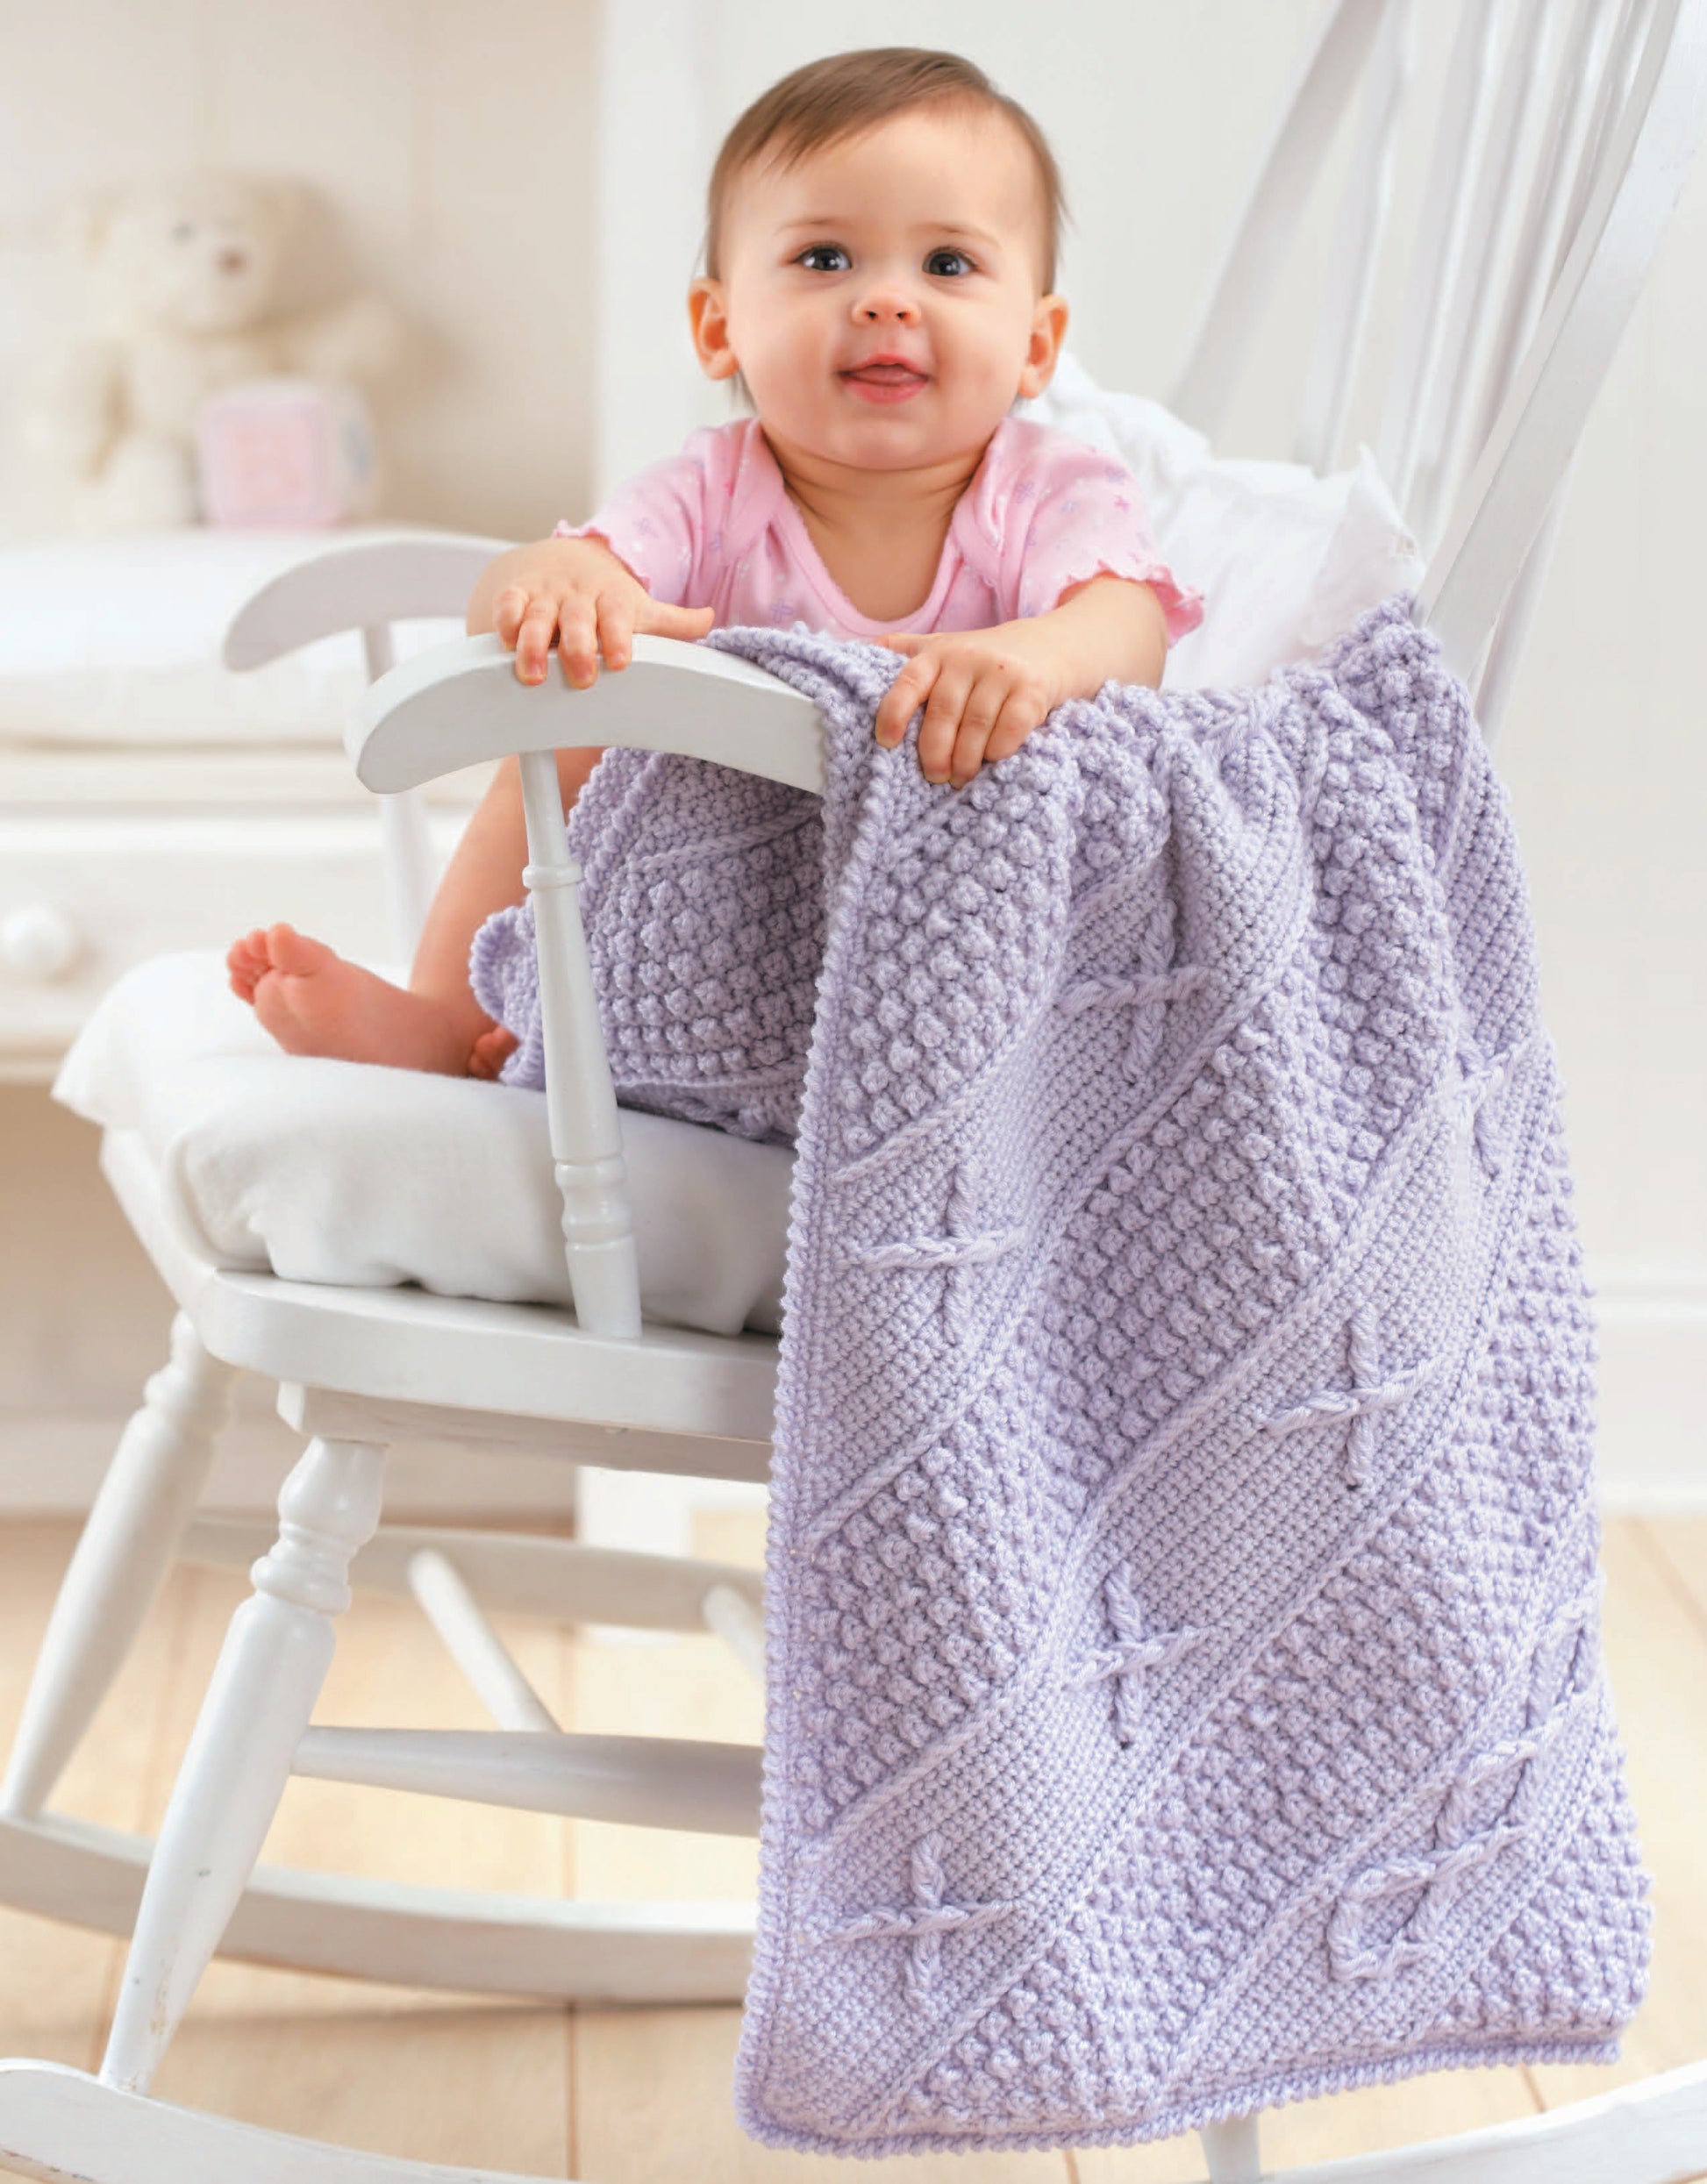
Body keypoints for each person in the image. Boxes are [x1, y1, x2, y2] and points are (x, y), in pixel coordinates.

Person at [227, 46, 1203, 1080]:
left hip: (956, 907)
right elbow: (516, 602)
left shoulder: (1051, 489)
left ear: (1037, 343)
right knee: (560, 718)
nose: (885, 300)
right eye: (825, 258)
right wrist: (561, 590)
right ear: (718, 323)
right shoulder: (705, 494)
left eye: (947, 265)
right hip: (718, 906)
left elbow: (1125, 623)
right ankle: (446, 1014)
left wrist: (1039, 657)